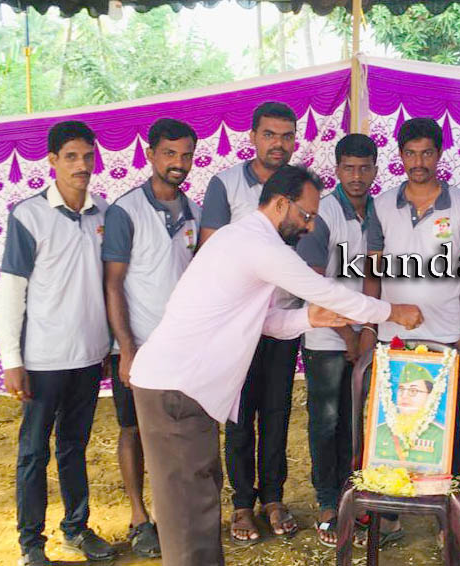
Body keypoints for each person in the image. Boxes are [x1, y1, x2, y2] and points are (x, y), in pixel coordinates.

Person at [128, 165, 424, 566]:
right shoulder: (258, 245)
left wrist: (308, 319)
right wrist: (392, 312)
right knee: (187, 515)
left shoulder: (241, 239)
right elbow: (325, 291)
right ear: (282, 204)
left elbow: (261, 321)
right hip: (175, 389)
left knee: (199, 501)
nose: (310, 226)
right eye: (307, 215)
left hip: (180, 389)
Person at [357, 116, 460, 547]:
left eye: (426, 153)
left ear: (439, 155)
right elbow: (372, 273)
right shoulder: (381, 206)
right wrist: (369, 325)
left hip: (446, 338)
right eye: (410, 154)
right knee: (389, 426)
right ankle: (389, 518)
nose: (418, 162)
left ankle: (446, 521)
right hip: (391, 340)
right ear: (400, 156)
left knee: (444, 429)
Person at [0, 121, 116, 566]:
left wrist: (108, 346)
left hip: (88, 355)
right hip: (43, 358)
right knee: (33, 451)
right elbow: (12, 290)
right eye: (71, 157)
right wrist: (12, 359)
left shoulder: (104, 214)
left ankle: (76, 530)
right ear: (52, 161)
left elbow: (110, 285)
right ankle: (31, 544)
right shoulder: (28, 215)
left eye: (88, 156)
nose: (81, 165)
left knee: (74, 446)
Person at [199, 101, 306, 543]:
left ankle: (274, 498)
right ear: (253, 137)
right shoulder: (226, 185)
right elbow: (209, 254)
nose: (278, 143)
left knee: (277, 411)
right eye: (269, 134)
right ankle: (242, 503)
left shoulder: (301, 187)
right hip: (238, 326)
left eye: (286, 136)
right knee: (240, 414)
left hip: (285, 319)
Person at [102, 117, 202, 558]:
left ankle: (175, 514)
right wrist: (126, 348)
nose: (178, 162)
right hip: (138, 345)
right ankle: (140, 517)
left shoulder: (194, 213)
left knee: (180, 431)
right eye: (169, 153)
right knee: (133, 429)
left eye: (186, 155)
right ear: (150, 155)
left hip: (181, 347)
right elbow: (112, 284)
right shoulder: (125, 211)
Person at [295, 133, 378, 547]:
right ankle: (328, 503)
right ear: (338, 169)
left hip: (364, 338)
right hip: (326, 339)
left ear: (375, 170)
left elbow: (377, 275)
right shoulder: (324, 213)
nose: (357, 176)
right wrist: (348, 335)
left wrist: (368, 333)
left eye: (364, 168)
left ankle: (352, 496)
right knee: (325, 422)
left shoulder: (379, 212)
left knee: (355, 421)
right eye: (349, 168)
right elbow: (312, 283)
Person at [373, 362, 448, 464]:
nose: (404, 396)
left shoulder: (440, 436)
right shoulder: (379, 432)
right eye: (401, 389)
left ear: (430, 396)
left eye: (413, 391)